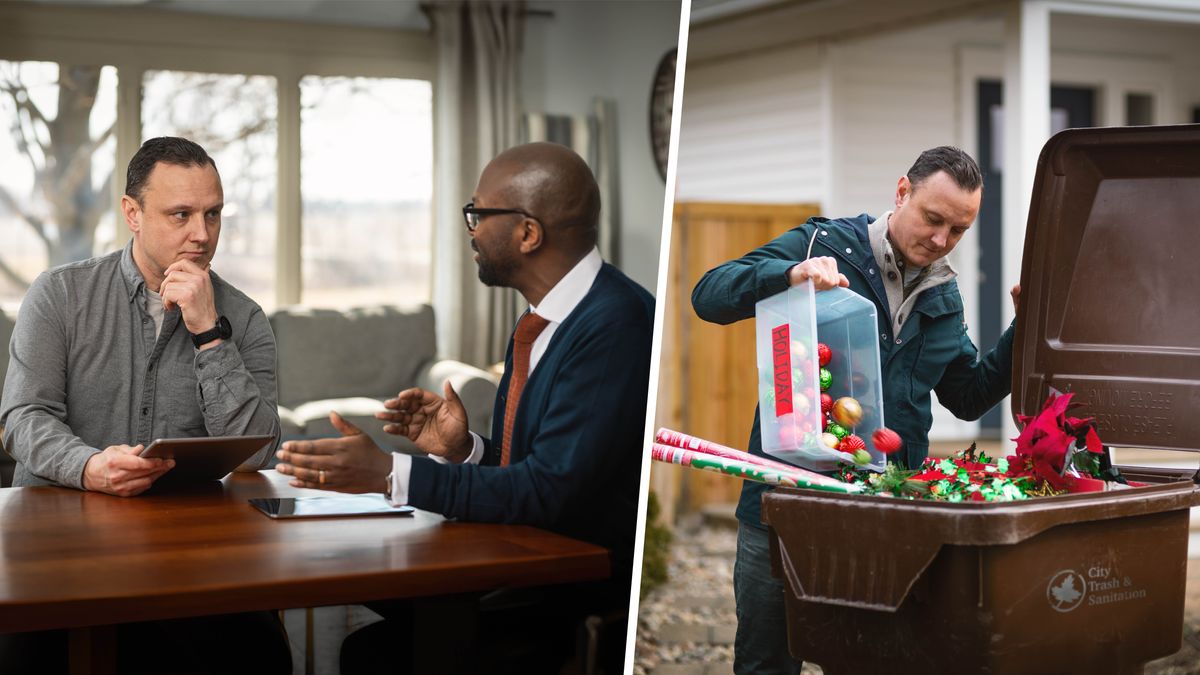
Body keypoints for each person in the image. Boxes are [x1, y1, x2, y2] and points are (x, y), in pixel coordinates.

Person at [275, 141, 654, 673]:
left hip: (565, 598)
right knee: (371, 639)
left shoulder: (617, 326)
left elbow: (549, 492)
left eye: (479, 213)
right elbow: (540, 467)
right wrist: (464, 449)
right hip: (520, 565)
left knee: (378, 651)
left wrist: (389, 472)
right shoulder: (543, 319)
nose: (471, 230)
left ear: (528, 233)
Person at [691, 146, 1019, 675]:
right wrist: (790, 273)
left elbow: (969, 394)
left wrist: (1021, 330)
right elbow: (709, 296)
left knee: (872, 661)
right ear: (902, 192)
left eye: (957, 231)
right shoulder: (823, 244)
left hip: (885, 513)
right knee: (766, 664)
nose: (940, 241)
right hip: (786, 506)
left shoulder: (944, 296)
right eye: (933, 220)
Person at [0, 136, 288, 674]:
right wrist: (87, 467)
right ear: (132, 213)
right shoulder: (59, 295)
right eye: (180, 215)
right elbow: (22, 418)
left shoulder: (243, 319)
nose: (201, 235)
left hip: (191, 555)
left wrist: (209, 334)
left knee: (258, 652)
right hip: (62, 549)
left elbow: (257, 455)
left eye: (212, 214)